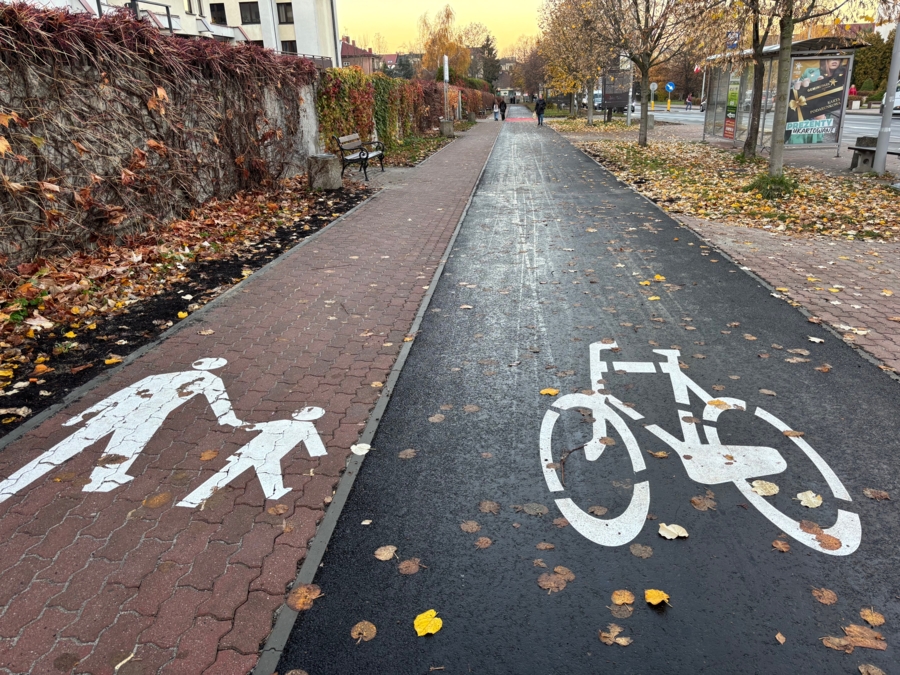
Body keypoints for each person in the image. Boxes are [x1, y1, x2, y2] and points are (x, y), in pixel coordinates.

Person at [0, 358, 242, 502]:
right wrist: (229, 421)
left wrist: (83, 415)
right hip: (143, 414)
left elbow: (120, 394)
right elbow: (219, 401)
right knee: (115, 444)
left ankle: (100, 479)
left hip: (134, 413)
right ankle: (99, 480)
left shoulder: (165, 376)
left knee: (99, 443)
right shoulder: (208, 380)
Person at [178, 406, 328, 507]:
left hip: (259, 450)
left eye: (307, 410)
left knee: (232, 472)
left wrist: (239, 424)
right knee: (255, 470)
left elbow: (253, 427)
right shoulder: (303, 426)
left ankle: (274, 492)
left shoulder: (300, 425)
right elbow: (315, 448)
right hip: (263, 451)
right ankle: (195, 497)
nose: (301, 410)